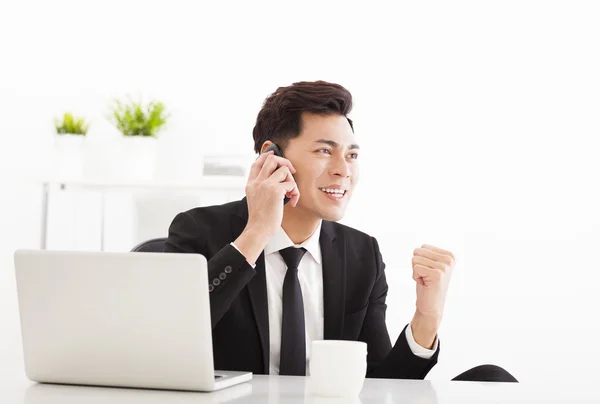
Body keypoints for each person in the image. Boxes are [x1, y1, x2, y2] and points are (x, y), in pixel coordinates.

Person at [164, 80, 517, 382]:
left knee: (492, 380)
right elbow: (171, 334)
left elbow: (381, 384)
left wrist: (427, 318)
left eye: (351, 156)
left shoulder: (361, 254)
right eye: (324, 151)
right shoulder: (201, 231)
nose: (342, 170)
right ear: (271, 156)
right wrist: (256, 233)